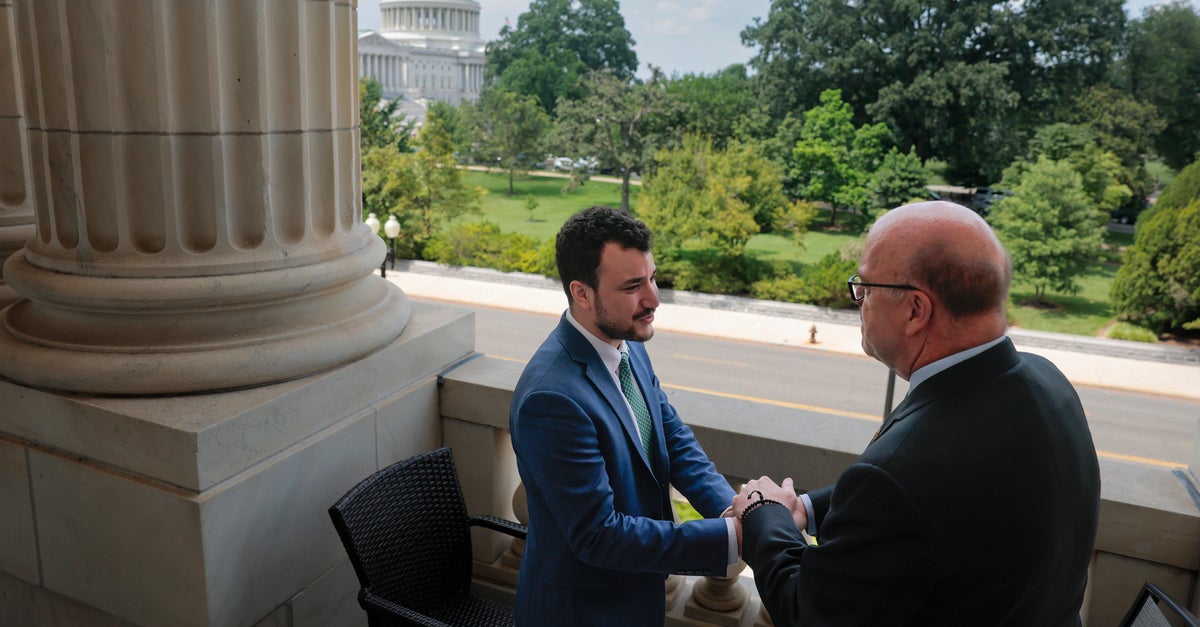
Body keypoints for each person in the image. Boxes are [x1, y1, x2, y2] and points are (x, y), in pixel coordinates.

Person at [732, 200, 1101, 626]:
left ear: (915, 311)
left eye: (865, 287)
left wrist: (765, 513)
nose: (859, 301)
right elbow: (935, 500)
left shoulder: (899, 474)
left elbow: (808, 611)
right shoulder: (1048, 381)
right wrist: (807, 508)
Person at [510, 205, 737, 626]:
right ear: (582, 293)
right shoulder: (551, 399)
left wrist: (733, 509)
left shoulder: (628, 342)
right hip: (584, 612)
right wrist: (730, 539)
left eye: (651, 277)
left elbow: (670, 437)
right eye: (633, 286)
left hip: (638, 594)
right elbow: (599, 535)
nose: (654, 299)